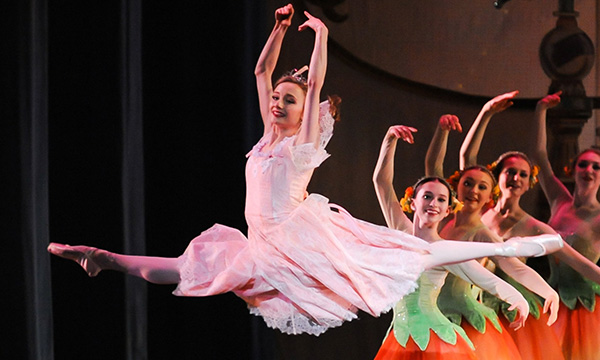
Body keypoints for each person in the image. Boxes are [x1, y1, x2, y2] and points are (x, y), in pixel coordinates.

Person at [47, 5, 561, 337]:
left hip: (297, 237)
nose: (276, 102)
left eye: (286, 100)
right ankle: (103, 258)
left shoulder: (301, 145)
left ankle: (504, 249)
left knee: (410, 251)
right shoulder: (266, 139)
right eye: (275, 98)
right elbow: (259, 71)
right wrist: (277, 29)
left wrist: (318, 38)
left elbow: (314, 86)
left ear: (303, 112)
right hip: (259, 242)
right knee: (189, 269)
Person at [371, 125, 560, 359]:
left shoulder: (449, 250)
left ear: (447, 209)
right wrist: (390, 138)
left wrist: (529, 296)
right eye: (427, 197)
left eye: (441, 199)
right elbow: (381, 181)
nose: (433, 203)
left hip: (433, 339)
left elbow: (490, 279)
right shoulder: (401, 228)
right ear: (412, 202)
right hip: (399, 335)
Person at [461, 90, 600, 359]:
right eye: (510, 172)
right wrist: (487, 111)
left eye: (523, 175)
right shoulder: (485, 211)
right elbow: (468, 159)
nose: (515, 178)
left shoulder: (534, 226)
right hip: (479, 306)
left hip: (524, 311)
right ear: (497, 176)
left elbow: (578, 262)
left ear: (529, 183)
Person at [426, 114, 561, 360]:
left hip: (461, 319)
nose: (473, 191)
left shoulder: (483, 233)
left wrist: (548, 292)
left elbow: (514, 267)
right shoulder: (442, 217)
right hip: (431, 314)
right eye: (468, 183)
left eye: (482, 187)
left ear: (490, 196)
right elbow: (432, 170)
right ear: (456, 186)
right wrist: (442, 131)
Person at [532, 91, 600, 360]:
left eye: (597, 166)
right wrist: (540, 110)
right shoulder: (560, 200)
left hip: (586, 308)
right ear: (574, 169)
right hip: (554, 298)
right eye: (583, 164)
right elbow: (539, 156)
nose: (589, 170)